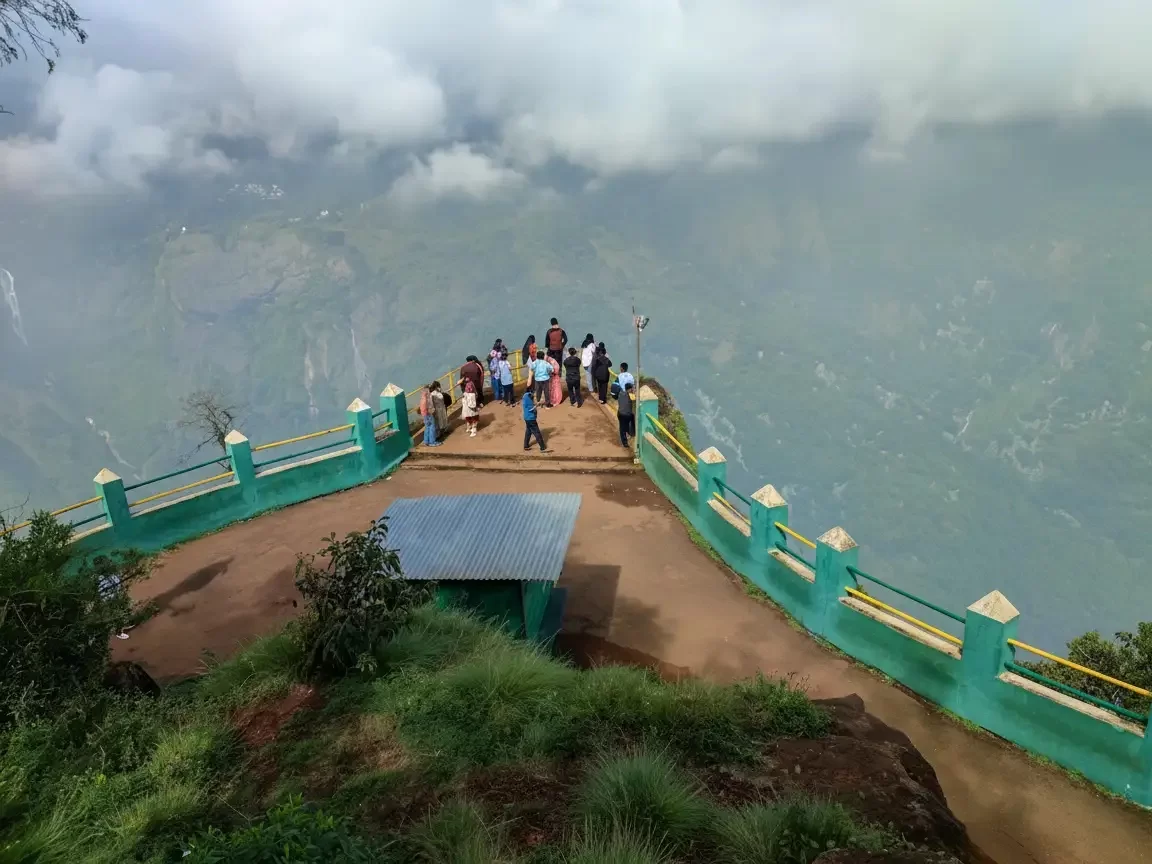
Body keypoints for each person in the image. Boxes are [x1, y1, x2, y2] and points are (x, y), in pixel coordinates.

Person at [522, 387, 547, 452]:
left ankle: (526, 445)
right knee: (537, 432)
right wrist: (537, 405)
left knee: (528, 431)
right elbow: (530, 409)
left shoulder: (525, 396)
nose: (535, 394)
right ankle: (542, 447)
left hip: (526, 418)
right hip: (531, 418)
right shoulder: (529, 397)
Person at [617, 381, 636, 448]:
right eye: (632, 388)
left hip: (620, 414)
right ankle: (631, 434)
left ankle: (625, 441)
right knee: (632, 419)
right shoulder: (631, 396)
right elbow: (634, 398)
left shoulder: (620, 393)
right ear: (629, 389)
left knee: (622, 428)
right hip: (626, 415)